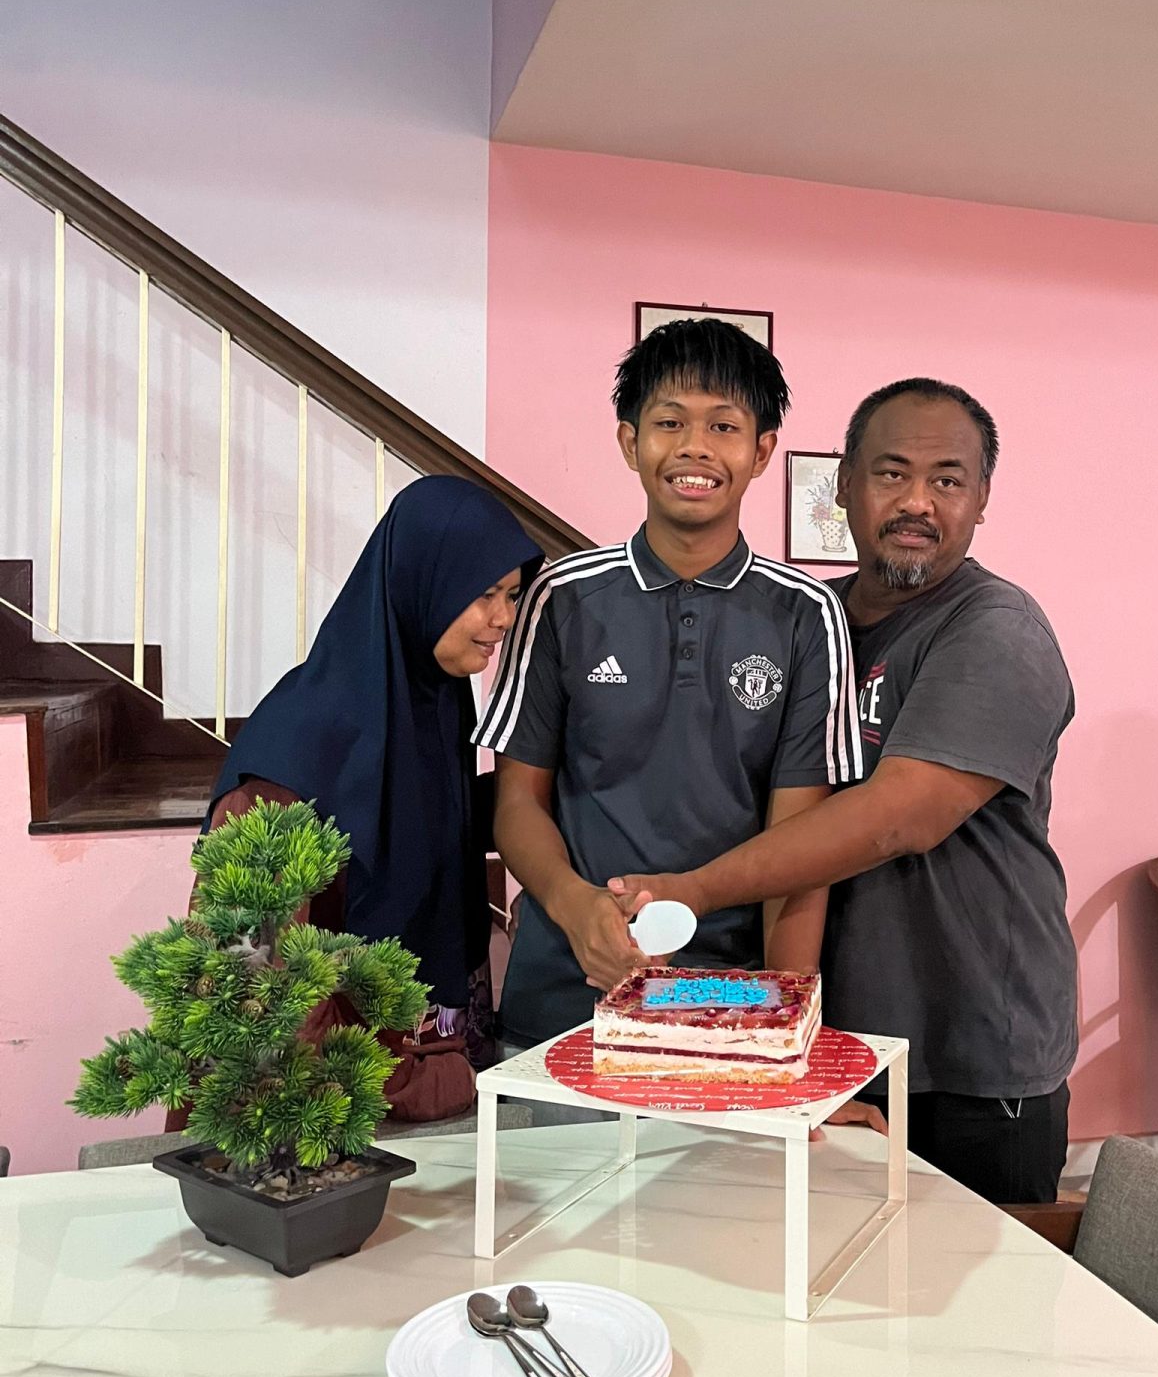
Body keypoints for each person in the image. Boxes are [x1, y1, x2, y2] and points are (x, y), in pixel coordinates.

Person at [610, 378, 1077, 1204]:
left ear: (981, 500)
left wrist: (693, 890)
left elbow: (898, 815)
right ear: (843, 486)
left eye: (948, 480)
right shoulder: (805, 621)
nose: (918, 504)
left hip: (968, 1058)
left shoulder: (996, 630)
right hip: (827, 1040)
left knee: (972, 1311)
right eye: (892, 474)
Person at [477, 318, 861, 1055]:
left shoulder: (806, 616)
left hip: (730, 998)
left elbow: (800, 849)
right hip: (566, 986)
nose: (695, 447)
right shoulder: (562, 597)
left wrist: (791, 1030)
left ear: (761, 452)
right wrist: (573, 903)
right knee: (550, 1172)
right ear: (630, 443)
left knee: (712, 1175)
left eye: (724, 425)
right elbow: (517, 800)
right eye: (669, 422)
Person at [200, 475, 542, 1119]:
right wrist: (418, 1088)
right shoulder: (301, 746)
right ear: (421, 584)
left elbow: (428, 827)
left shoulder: (428, 709)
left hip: (422, 1087)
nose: (502, 619)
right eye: (483, 594)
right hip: (308, 1123)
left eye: (511, 596)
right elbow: (251, 990)